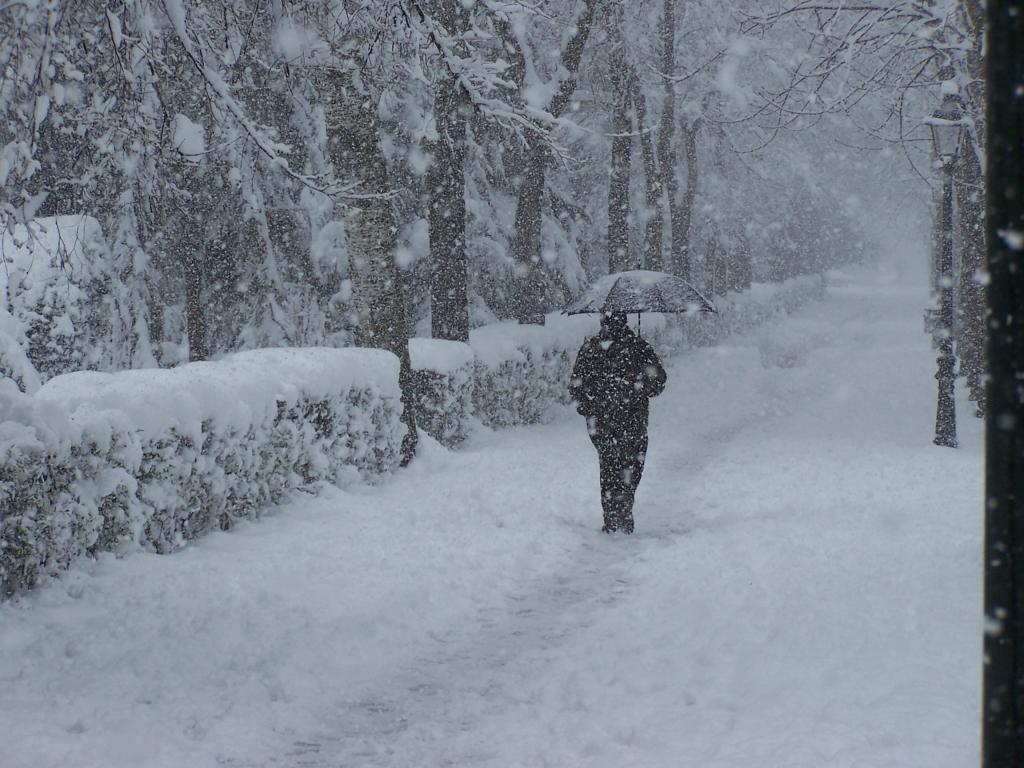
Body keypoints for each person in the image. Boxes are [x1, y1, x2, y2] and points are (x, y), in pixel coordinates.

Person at [569, 311, 667, 534]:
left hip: (603, 423)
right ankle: (622, 512)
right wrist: (641, 385)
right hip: (632, 421)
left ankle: (614, 516)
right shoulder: (638, 347)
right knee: (630, 468)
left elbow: (576, 386)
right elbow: (659, 381)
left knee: (610, 468)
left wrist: (589, 405)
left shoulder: (591, 349)